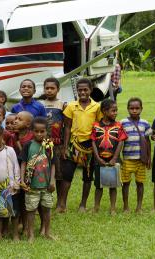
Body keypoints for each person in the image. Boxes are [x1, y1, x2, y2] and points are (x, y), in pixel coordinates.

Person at [59, 78, 102, 213]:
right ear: (76, 91)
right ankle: (62, 205)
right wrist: (65, 147)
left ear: (90, 90)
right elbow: (67, 127)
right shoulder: (71, 106)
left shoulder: (97, 107)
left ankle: (83, 205)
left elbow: (99, 127)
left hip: (90, 146)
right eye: (80, 90)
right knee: (67, 175)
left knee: (87, 177)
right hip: (73, 144)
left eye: (85, 90)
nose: (82, 92)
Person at [20, 117, 55, 242]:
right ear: (32, 131)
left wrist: (52, 181)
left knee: (47, 208)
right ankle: (30, 234)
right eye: (36, 131)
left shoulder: (49, 146)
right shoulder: (28, 145)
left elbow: (53, 164)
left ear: (47, 131)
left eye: (42, 131)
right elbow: (23, 163)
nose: (39, 134)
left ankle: (47, 232)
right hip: (31, 186)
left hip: (46, 186)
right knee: (30, 210)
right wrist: (22, 180)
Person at [91, 99, 127, 214]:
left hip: (113, 159)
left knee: (113, 185)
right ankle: (96, 207)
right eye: (113, 111)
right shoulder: (96, 125)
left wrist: (114, 159)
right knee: (98, 186)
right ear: (104, 111)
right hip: (99, 160)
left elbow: (121, 142)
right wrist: (97, 158)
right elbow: (93, 142)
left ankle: (113, 208)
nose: (116, 113)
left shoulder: (118, 125)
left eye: (116, 110)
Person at [120, 98, 152, 213]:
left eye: (137, 108)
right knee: (126, 183)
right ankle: (126, 206)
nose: (134, 110)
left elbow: (148, 141)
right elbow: (119, 141)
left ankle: (139, 207)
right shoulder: (123, 122)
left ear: (141, 109)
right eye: (132, 108)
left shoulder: (145, 123)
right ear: (128, 109)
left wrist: (149, 157)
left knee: (140, 183)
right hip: (127, 159)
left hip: (141, 160)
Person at [40, 77, 66, 212]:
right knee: (43, 172)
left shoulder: (62, 105)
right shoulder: (40, 104)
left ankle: (61, 203)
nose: (49, 90)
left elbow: (66, 126)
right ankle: (43, 203)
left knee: (60, 174)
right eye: (47, 88)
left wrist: (65, 146)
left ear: (58, 89)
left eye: (52, 88)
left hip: (58, 144)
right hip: (43, 144)